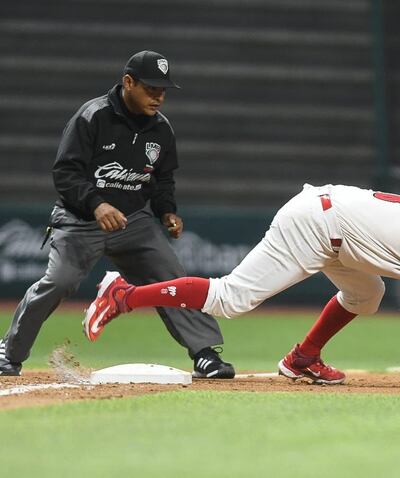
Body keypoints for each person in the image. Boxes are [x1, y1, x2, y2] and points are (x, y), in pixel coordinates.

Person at [83, 184, 400, 389]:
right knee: (230, 298)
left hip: (335, 229)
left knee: (368, 294)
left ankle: (303, 358)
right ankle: (124, 294)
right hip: (315, 226)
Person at [0, 51, 234, 379]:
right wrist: (96, 204)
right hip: (81, 220)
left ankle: (205, 353)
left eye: (163, 90)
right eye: (151, 88)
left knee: (172, 277)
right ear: (128, 82)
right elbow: (66, 173)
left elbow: (162, 179)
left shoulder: (161, 130)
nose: (159, 96)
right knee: (59, 281)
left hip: (133, 221)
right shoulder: (92, 116)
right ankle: (8, 352)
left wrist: (167, 211)